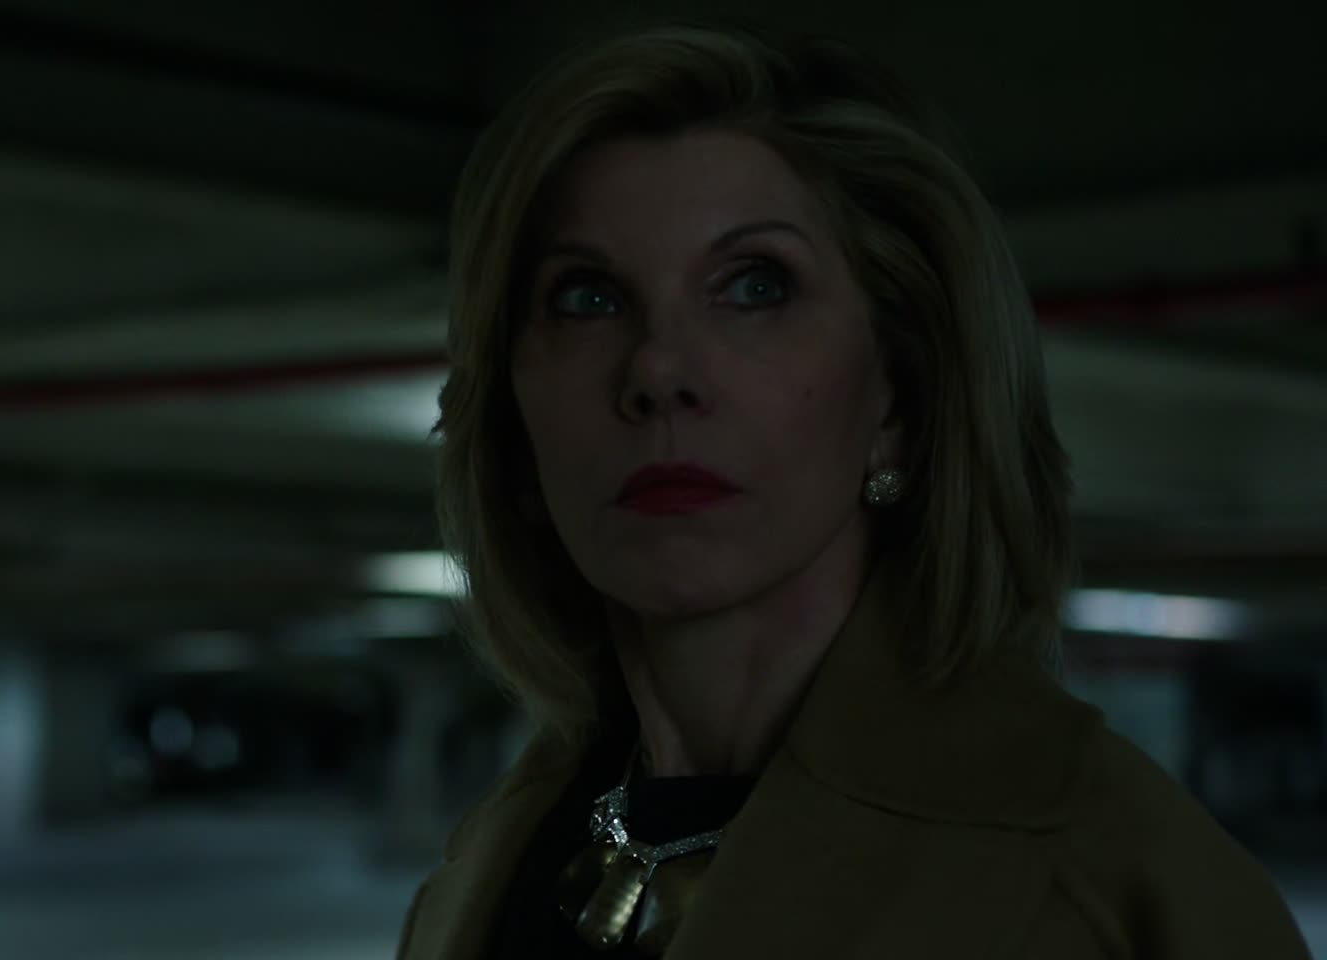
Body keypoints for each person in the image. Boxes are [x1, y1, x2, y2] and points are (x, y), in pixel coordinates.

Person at [398, 23, 1310, 960]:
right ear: (515, 411)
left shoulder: (1110, 887)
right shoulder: (501, 861)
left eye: (755, 287)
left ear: (898, 401)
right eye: (586, 297)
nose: (659, 369)